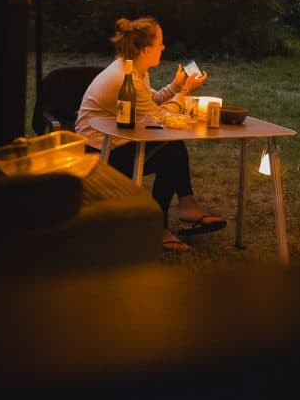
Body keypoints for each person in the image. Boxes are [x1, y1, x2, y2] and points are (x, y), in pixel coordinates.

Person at [75, 16, 227, 253]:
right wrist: (186, 91)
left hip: (114, 142)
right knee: (171, 150)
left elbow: (149, 102)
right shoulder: (126, 78)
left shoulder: (134, 69)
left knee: (172, 146)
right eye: (160, 44)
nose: (164, 48)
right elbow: (159, 117)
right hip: (98, 152)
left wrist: (176, 87)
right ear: (147, 49)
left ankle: (185, 206)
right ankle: (160, 225)